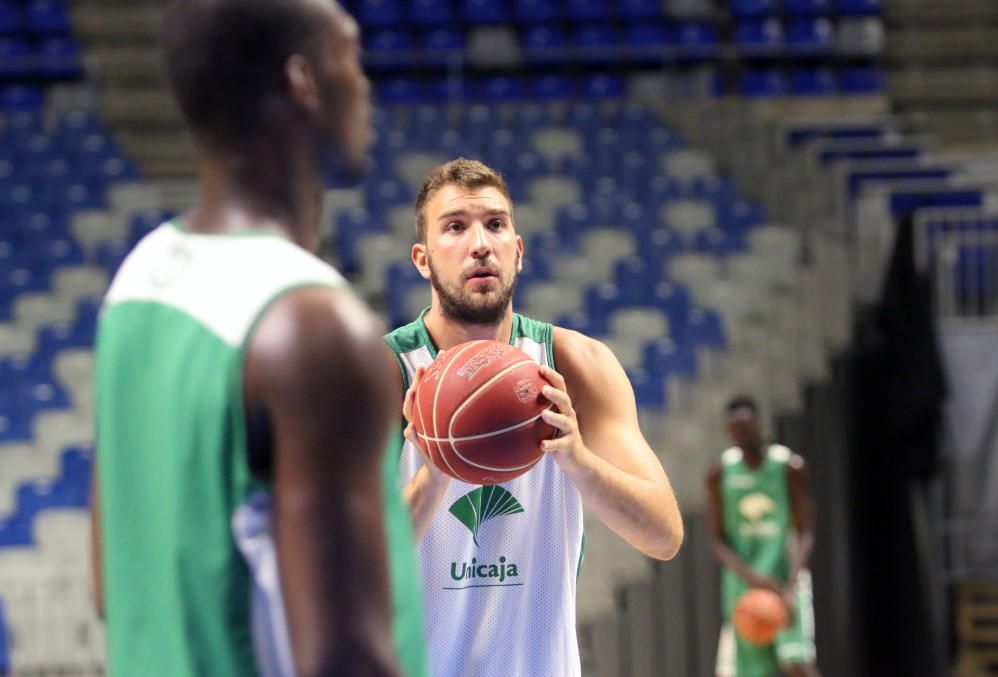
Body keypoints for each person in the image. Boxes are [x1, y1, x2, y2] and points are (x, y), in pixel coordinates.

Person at [89, 2, 427, 675]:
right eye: (350, 56)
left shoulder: (139, 281)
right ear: (302, 83)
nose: (364, 83)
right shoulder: (314, 331)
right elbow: (345, 660)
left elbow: (111, 584)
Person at [384, 158, 684, 677]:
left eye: (495, 224)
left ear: (517, 252)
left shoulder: (576, 364)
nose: (480, 243)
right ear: (423, 259)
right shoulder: (380, 377)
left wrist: (579, 461)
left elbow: (664, 536)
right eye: (455, 226)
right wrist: (431, 479)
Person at [706, 395, 820, 677]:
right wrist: (753, 579)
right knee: (752, 672)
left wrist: (791, 586)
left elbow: (805, 533)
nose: (741, 432)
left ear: (759, 424)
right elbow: (716, 542)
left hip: (784, 578)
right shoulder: (720, 473)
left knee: (797, 662)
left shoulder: (789, 466)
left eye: (746, 425)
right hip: (744, 586)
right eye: (735, 428)